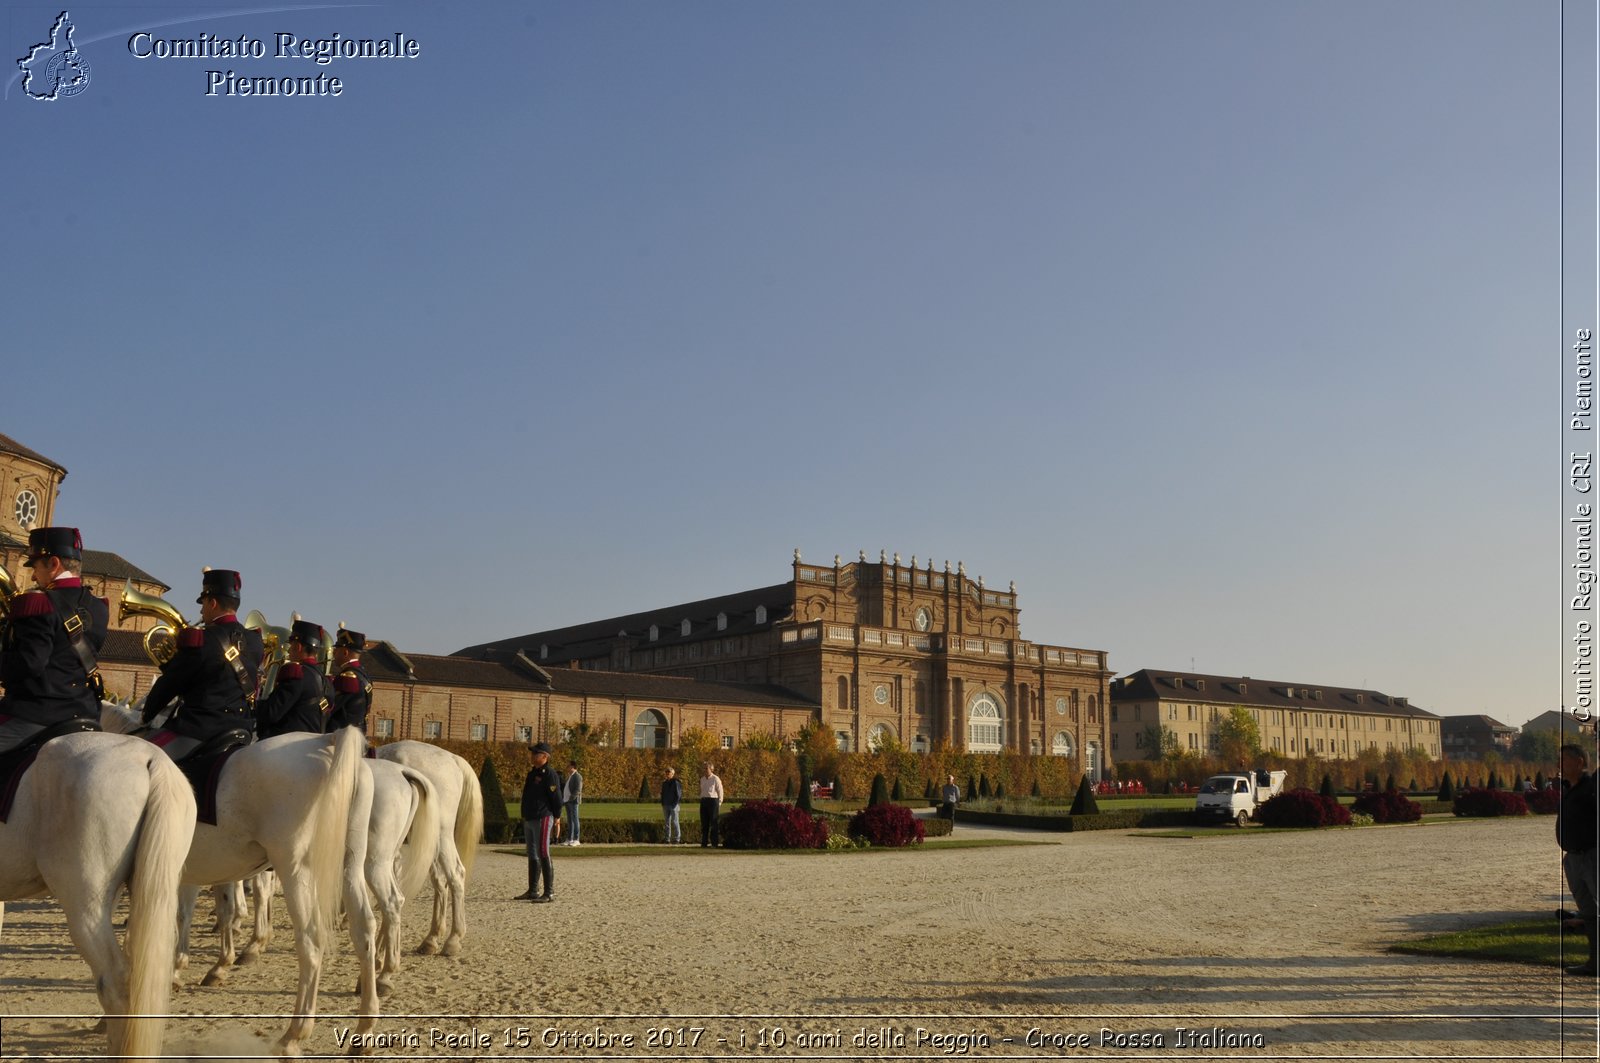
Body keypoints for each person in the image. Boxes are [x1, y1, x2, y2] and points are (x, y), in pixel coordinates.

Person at [0, 528, 109, 754]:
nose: (32, 576)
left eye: (36, 566)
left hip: (36, 715)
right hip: (86, 715)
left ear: (53, 563)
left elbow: (30, 663)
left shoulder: (38, 604)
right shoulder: (99, 607)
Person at [140, 569, 263, 761]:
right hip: (241, 728)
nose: (200, 610)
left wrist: (147, 714)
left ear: (212, 603)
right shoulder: (255, 641)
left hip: (200, 729)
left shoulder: (201, 639)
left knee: (139, 755)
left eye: (203, 604)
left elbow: (171, 684)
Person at [1558, 743, 1599, 976]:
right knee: (1589, 914)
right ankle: (1595, 963)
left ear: (1580, 762)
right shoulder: (1570, 788)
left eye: (1564, 760)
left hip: (1591, 856)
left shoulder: (1591, 788)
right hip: (1573, 859)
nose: (1560, 765)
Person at [254, 619, 329, 739]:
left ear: (298, 647)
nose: (288, 650)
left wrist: (250, 704)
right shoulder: (325, 679)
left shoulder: (296, 673)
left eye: (291, 645)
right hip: (312, 744)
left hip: (285, 746)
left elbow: (271, 713)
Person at [516, 742, 563, 902]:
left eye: (535, 753)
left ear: (545, 756)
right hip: (530, 817)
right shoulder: (533, 773)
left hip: (543, 816)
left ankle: (549, 892)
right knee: (532, 853)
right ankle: (533, 890)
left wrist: (557, 816)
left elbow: (556, 798)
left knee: (543, 851)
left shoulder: (549, 774)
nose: (532, 756)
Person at [324, 626, 372, 733]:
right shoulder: (363, 674)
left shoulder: (347, 677)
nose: (334, 654)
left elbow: (330, 708)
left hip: (341, 735)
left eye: (336, 650)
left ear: (345, 652)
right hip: (357, 733)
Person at [699, 761, 724, 848]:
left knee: (713, 823)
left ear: (711, 769)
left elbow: (720, 791)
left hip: (713, 801)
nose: (705, 770)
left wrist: (719, 803)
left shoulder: (715, 779)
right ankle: (704, 842)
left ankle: (714, 843)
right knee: (704, 823)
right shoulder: (702, 779)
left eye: (706, 768)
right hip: (704, 801)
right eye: (704, 768)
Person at [561, 760, 583, 846]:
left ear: (573, 767)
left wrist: (570, 798)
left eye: (568, 766)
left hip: (573, 801)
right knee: (570, 820)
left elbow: (578, 790)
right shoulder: (570, 776)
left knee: (575, 819)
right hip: (567, 801)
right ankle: (570, 839)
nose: (567, 767)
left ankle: (576, 839)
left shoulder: (577, 776)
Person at [660, 766, 682, 844]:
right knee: (667, 823)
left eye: (668, 773)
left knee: (675, 821)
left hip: (673, 805)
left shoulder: (676, 782)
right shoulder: (664, 783)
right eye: (666, 772)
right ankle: (667, 838)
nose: (667, 774)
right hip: (666, 804)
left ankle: (677, 838)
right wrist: (662, 802)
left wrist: (675, 804)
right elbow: (662, 794)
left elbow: (678, 795)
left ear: (672, 774)